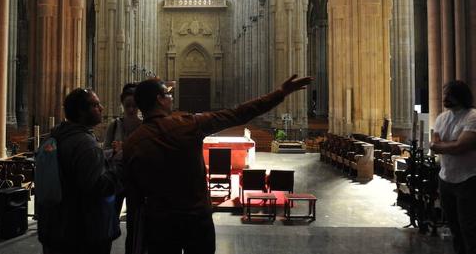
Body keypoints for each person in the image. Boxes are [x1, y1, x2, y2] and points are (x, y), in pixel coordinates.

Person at [123, 74, 312, 254]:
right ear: (160, 99)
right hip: (196, 219)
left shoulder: (133, 143)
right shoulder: (187, 125)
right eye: (168, 94)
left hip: (160, 224)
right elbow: (238, 114)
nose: (171, 98)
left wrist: (133, 242)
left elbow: (133, 198)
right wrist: (280, 93)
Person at [37, 88, 123, 254]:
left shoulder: (56, 137)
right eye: (96, 105)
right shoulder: (85, 144)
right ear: (82, 111)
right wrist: (119, 164)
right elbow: (99, 188)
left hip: (55, 226)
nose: (102, 108)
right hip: (82, 232)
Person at [430, 80, 476, 254]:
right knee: (454, 227)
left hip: (468, 179)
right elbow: (435, 144)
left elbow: (461, 146)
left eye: (450, 94)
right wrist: (450, 145)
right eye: (445, 94)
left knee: (469, 228)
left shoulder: (472, 116)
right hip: (445, 179)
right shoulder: (442, 118)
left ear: (461, 96)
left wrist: (445, 146)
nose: (445, 98)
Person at [103, 83, 141, 216]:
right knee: (112, 218)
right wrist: (114, 151)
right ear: (122, 104)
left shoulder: (143, 127)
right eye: (127, 105)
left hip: (136, 180)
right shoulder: (114, 126)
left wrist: (122, 149)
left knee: (135, 220)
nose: (131, 109)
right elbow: (105, 152)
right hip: (116, 177)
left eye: (135, 106)